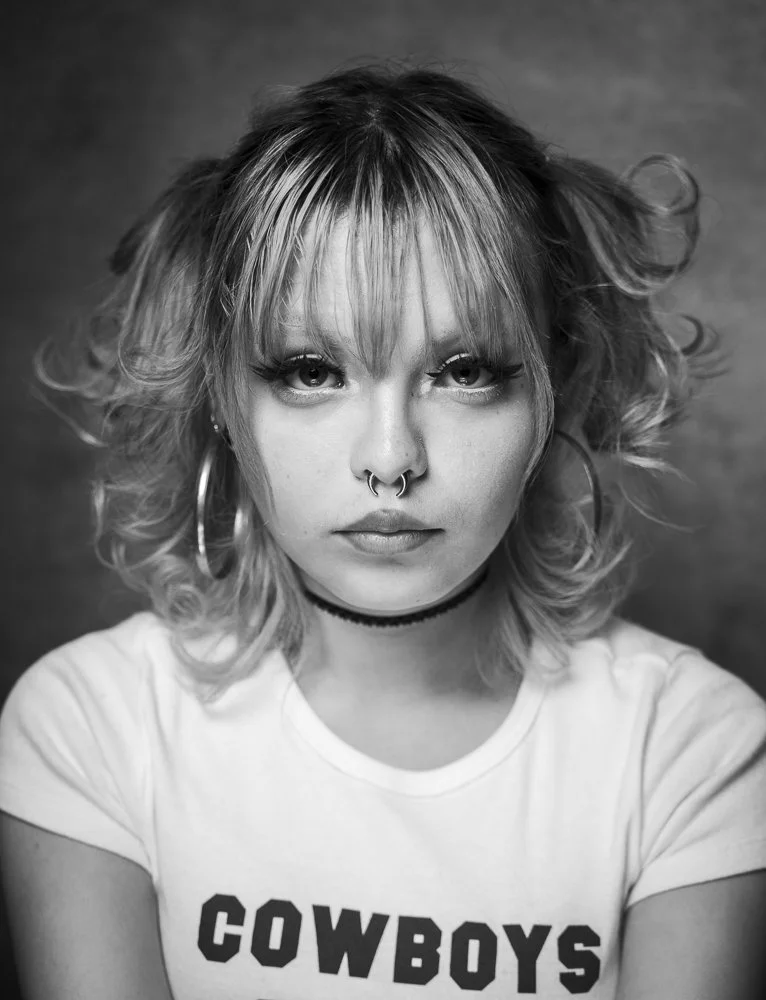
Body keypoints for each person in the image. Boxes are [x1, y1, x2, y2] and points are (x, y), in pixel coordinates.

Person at [1, 62, 764, 1000]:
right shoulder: (94, 725)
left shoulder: (691, 749)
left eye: (465, 369)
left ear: (554, 383)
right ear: (220, 392)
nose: (392, 461)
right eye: (310, 370)